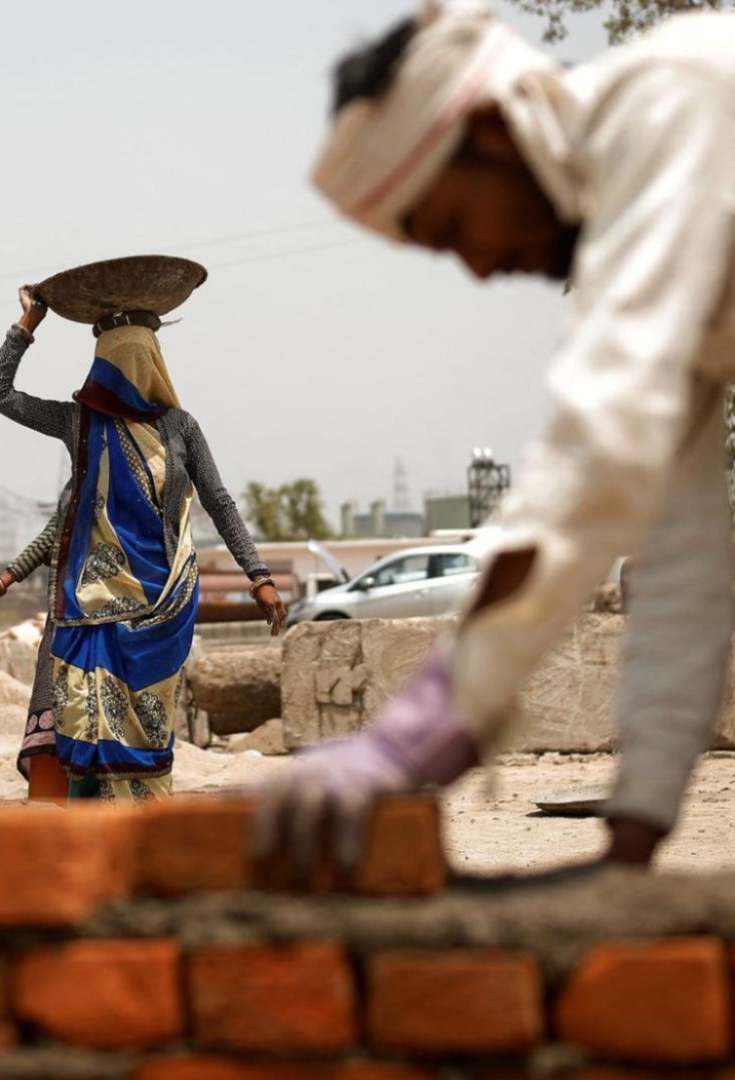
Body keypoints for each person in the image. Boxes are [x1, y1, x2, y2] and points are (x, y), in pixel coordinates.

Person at [256, 0, 735, 873]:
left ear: (489, 126)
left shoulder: (670, 101)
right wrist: (633, 841)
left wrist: (434, 718)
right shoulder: (632, 251)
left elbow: (599, 450)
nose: (477, 268)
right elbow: (681, 552)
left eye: (452, 228)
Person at [0, 288, 286, 801]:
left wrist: (259, 576)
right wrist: (26, 325)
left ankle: (138, 841)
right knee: (83, 730)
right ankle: (85, 845)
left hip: (159, 608)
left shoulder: (181, 429)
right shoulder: (79, 424)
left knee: (145, 733)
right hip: (88, 614)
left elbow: (221, 503)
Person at [0, 494, 70, 804]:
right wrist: (3, 580)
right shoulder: (86, 472)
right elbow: (53, 533)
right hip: (69, 618)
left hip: (132, 626)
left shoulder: (164, 463)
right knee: (54, 725)